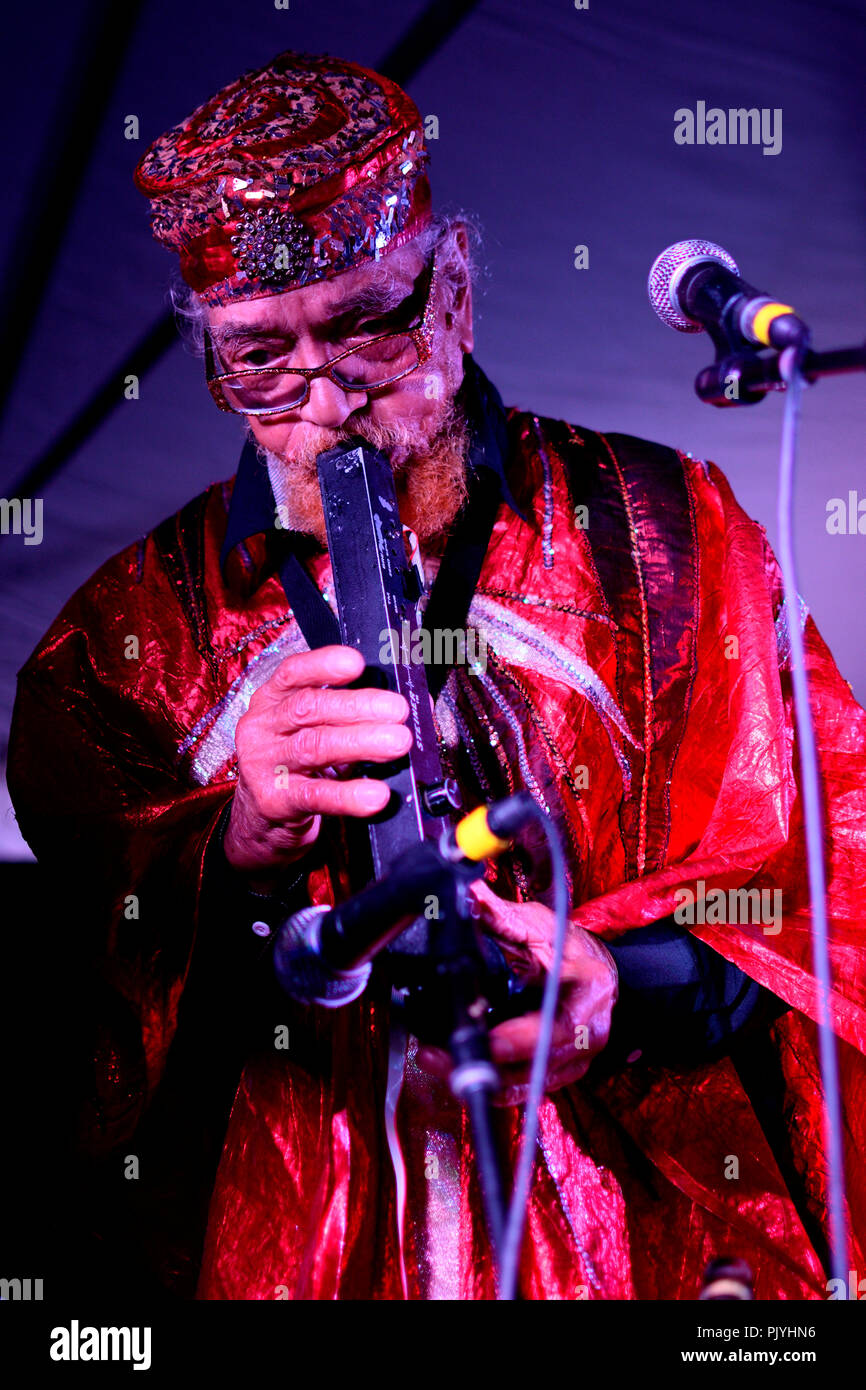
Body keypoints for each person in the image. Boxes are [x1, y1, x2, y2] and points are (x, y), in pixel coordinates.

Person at [8, 49, 866, 1302]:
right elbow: (80, 1015)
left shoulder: (665, 530)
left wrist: (612, 979)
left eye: (367, 321)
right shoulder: (122, 637)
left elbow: (818, 880)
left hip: (634, 1251)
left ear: (452, 288)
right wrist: (230, 846)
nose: (324, 395)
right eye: (258, 358)